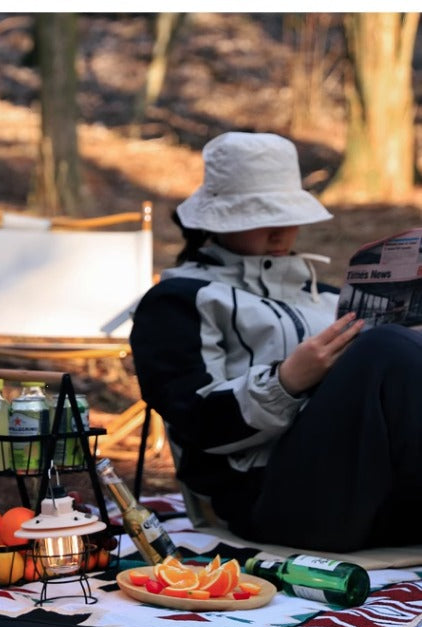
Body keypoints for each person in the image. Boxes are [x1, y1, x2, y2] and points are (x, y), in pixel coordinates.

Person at [130, 131, 422, 552]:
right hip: (275, 504)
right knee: (385, 349)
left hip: (378, 497)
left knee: (396, 347)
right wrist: (286, 381)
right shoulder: (179, 301)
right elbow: (195, 423)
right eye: (259, 216)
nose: (281, 229)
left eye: (287, 213)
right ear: (218, 219)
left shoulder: (326, 297)